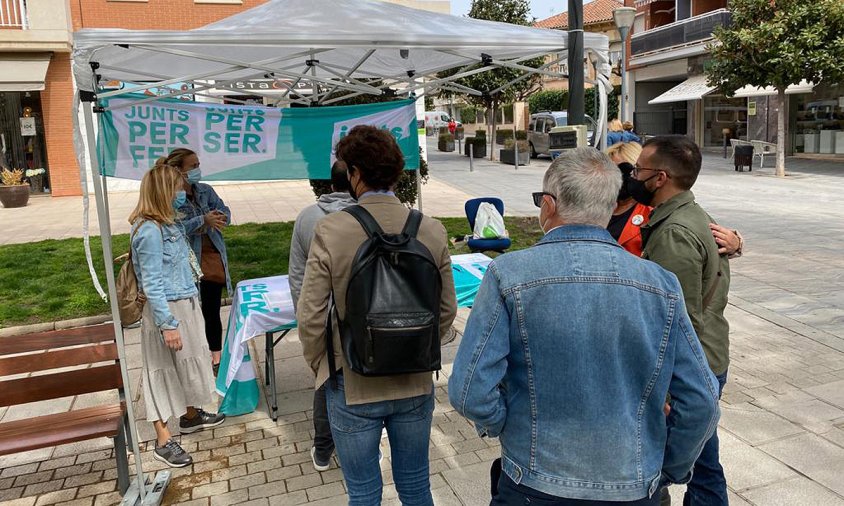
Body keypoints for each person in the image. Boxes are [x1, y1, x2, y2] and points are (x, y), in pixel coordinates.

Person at [448, 147, 720, 506]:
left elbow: (470, 390)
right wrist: (669, 466)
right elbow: (702, 400)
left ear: (548, 204)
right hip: (633, 483)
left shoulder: (508, 274)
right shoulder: (661, 284)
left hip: (534, 480)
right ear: (608, 206)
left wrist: (506, 426)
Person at [297, 125, 457, 505]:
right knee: (417, 486)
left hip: (351, 379)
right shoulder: (431, 230)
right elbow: (446, 311)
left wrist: (322, 364)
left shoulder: (331, 229)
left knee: (364, 492)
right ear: (396, 172)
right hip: (415, 379)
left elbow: (311, 316)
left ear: (354, 174)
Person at [630, 135, 732, 506]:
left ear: (659, 178)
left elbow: (676, 322)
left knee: (696, 465)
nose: (633, 176)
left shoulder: (674, 233)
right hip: (709, 358)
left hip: (692, 367)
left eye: (639, 170)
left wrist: (668, 391)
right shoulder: (692, 215)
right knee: (705, 458)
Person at [129, 162, 225, 468]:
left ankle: (190, 415)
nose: (182, 193)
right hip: (167, 310)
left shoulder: (168, 223)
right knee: (161, 370)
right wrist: (167, 324)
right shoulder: (149, 231)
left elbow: (189, 229)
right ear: (162, 192)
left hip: (184, 302)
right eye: (176, 188)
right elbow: (151, 282)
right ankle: (162, 439)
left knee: (185, 364)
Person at [288, 160, 356, 472]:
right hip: (358, 318)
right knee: (356, 383)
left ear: (329, 184)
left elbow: (297, 276)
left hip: (319, 318)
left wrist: (306, 322)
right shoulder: (364, 218)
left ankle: (323, 449)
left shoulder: (306, 217)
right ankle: (355, 445)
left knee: (324, 382)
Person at [606, 142, 743, 258]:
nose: (616, 178)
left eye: (624, 171)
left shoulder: (657, 211)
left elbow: (699, 234)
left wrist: (736, 243)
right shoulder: (597, 206)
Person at [164, 148, 231, 377]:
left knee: (212, 310)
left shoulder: (205, 190)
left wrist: (220, 217)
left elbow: (225, 211)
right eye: (192, 166)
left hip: (212, 259)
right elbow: (174, 228)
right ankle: (197, 358)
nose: (197, 170)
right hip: (187, 263)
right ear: (178, 170)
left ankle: (216, 357)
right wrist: (203, 220)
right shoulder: (170, 197)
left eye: (197, 164)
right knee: (192, 314)